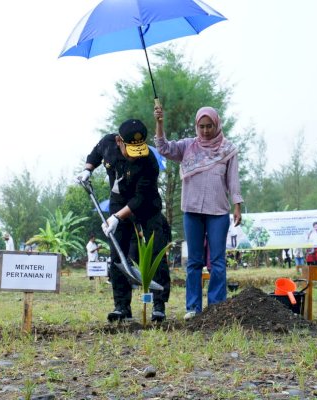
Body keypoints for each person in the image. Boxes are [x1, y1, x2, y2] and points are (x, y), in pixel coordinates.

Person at [77, 118, 171, 322]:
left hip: (146, 207)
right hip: (118, 202)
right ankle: (121, 306)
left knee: (156, 252)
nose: (134, 156)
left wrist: (118, 217)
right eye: (130, 149)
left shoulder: (149, 161)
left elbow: (140, 197)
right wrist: (87, 169)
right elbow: (95, 153)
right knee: (117, 255)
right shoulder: (108, 143)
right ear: (119, 141)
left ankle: (158, 305)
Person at [154, 105, 243, 320]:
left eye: (209, 126)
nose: (205, 131)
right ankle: (193, 308)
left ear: (216, 125)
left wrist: (237, 205)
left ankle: (217, 308)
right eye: (201, 126)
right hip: (192, 210)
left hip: (218, 211)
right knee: (194, 261)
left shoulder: (227, 149)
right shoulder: (187, 147)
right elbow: (164, 148)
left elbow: (233, 180)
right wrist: (159, 123)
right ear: (196, 126)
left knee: (218, 261)